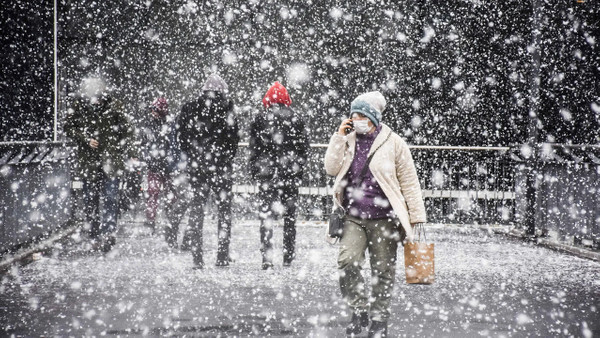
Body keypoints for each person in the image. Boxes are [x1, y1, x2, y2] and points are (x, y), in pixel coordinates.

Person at [324, 91, 427, 337]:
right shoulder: (348, 140)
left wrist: (417, 217)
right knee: (347, 262)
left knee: (382, 270)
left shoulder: (394, 143)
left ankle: (379, 320)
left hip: (385, 218)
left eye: (361, 115)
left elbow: (409, 182)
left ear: (373, 117)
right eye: (353, 116)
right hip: (353, 216)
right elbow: (330, 168)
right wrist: (338, 137)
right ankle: (358, 310)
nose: (356, 119)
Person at [64, 78, 137, 253]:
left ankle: (108, 233)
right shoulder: (80, 106)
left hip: (110, 161)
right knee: (91, 200)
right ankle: (95, 235)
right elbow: (68, 127)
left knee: (110, 198)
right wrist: (85, 138)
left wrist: (129, 152)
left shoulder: (114, 106)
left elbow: (128, 129)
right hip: (90, 162)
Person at [178, 74, 240, 268]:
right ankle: (222, 255)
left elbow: (182, 138)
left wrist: (194, 156)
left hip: (197, 167)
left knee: (197, 209)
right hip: (221, 168)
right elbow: (233, 140)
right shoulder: (227, 109)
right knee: (224, 211)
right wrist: (223, 157)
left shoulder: (189, 108)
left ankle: (197, 257)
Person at [248, 81, 309, 270]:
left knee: (266, 216)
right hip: (289, 174)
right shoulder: (296, 118)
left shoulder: (259, 119)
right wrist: (298, 168)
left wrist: (256, 169)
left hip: (267, 175)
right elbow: (303, 149)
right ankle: (288, 256)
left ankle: (267, 257)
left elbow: (254, 148)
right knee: (290, 218)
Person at [140, 97, 179, 238]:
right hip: (157, 164)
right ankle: (153, 220)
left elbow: (174, 144)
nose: (153, 112)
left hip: (164, 165)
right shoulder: (158, 124)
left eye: (155, 109)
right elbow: (145, 143)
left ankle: (166, 218)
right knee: (153, 193)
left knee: (164, 194)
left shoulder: (168, 124)